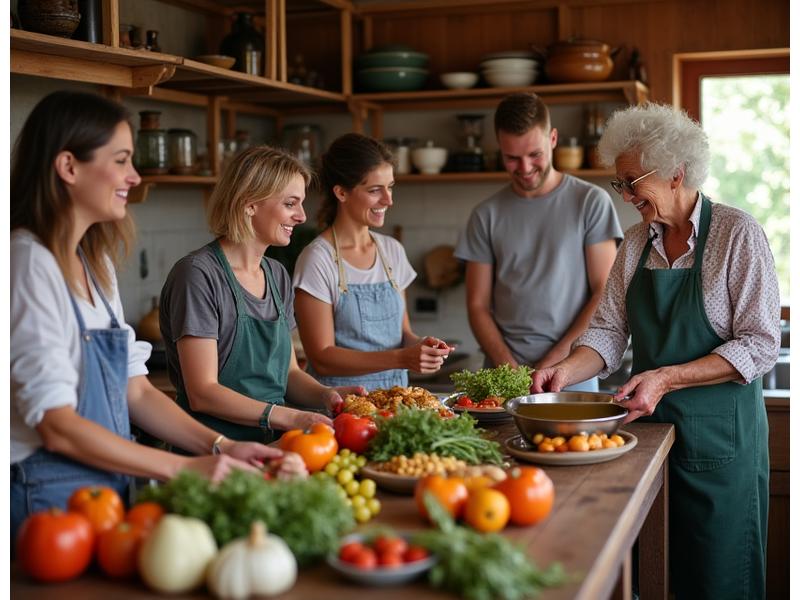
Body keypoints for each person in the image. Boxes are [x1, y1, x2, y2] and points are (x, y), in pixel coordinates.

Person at [10, 91, 298, 543]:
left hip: (105, 487)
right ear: (68, 167)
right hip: (45, 498)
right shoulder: (27, 263)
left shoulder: (94, 263)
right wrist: (184, 467)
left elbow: (138, 391)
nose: (134, 176)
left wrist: (222, 447)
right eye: (121, 160)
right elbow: (57, 426)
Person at [532, 103, 780, 599]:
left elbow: (760, 343)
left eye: (632, 183)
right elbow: (608, 331)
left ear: (675, 173)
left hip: (722, 450)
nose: (625, 196)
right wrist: (565, 370)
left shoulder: (737, 234)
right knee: (657, 576)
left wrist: (666, 377)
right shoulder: (635, 244)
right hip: (649, 443)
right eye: (619, 183)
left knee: (718, 580)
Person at [160, 146, 362, 444]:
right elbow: (202, 392)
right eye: (290, 203)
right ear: (249, 204)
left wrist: (326, 395)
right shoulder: (198, 275)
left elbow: (288, 374)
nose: (301, 216)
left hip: (274, 446)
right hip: (211, 450)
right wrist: (292, 418)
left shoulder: (276, 274)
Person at [455, 92, 623, 390]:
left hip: (571, 373)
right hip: (504, 376)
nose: (524, 168)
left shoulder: (590, 202)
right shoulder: (485, 215)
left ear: (553, 138)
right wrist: (511, 371)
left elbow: (603, 294)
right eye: (512, 158)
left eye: (534, 154)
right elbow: (477, 305)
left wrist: (552, 365)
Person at [292, 133, 452, 390]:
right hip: (342, 404)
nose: (388, 200)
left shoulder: (392, 251)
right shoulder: (317, 259)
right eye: (375, 190)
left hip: (397, 399)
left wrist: (422, 346)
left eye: (390, 187)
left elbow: (403, 334)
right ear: (341, 192)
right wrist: (402, 358)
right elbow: (322, 358)